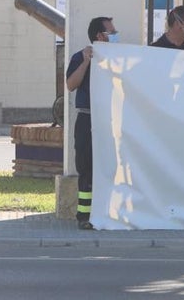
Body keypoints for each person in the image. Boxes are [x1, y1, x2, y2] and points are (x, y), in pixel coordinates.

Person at [65, 16, 116, 230]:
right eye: (112, 32)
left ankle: (107, 212)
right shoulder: (80, 57)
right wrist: (86, 62)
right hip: (87, 118)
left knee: (110, 166)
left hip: (109, 119)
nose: (115, 35)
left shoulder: (117, 57)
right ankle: (84, 216)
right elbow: (70, 85)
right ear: (99, 35)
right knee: (86, 167)